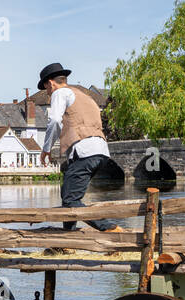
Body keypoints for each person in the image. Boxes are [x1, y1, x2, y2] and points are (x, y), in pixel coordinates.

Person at [37, 62, 124, 232]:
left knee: (70, 200)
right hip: (101, 151)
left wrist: (46, 148)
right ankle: (68, 240)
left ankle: (109, 228)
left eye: (45, 88)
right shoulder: (86, 96)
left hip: (84, 151)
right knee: (69, 196)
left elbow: (54, 120)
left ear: (50, 83)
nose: (47, 92)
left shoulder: (60, 93)